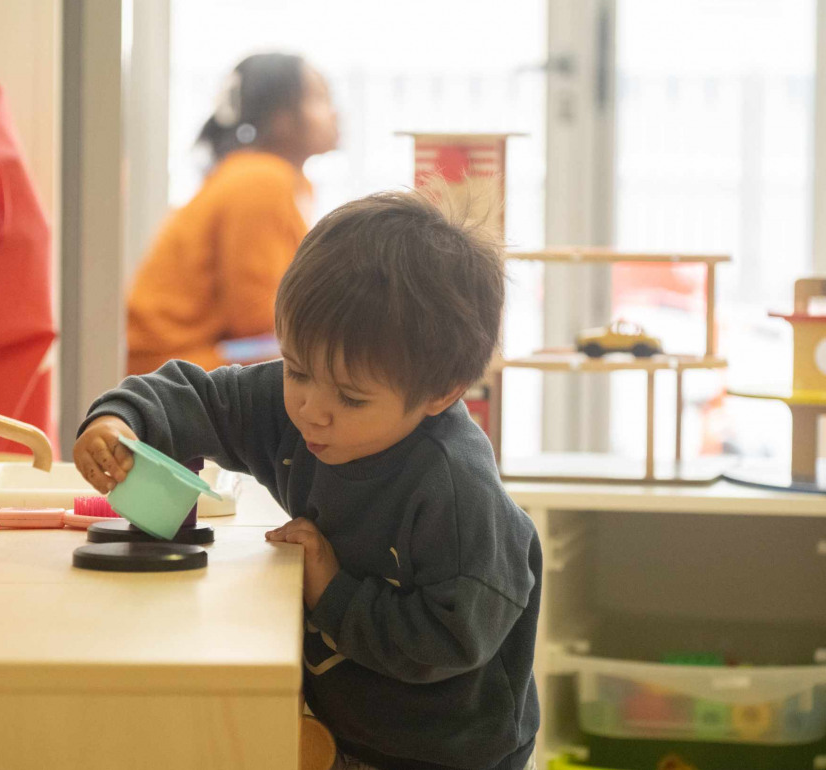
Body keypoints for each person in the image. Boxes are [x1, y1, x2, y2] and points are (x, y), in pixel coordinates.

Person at [75, 191, 541, 770]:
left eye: (350, 397)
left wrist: (332, 591)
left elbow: (454, 640)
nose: (310, 410)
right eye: (297, 370)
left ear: (440, 393)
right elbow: (204, 397)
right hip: (340, 725)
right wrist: (121, 418)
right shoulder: (306, 402)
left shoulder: (456, 493)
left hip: (446, 751)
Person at [126, 53, 339, 374]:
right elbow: (259, 319)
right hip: (174, 369)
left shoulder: (273, 177)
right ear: (280, 116)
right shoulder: (261, 178)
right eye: (319, 99)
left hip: (181, 360)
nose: (333, 113)